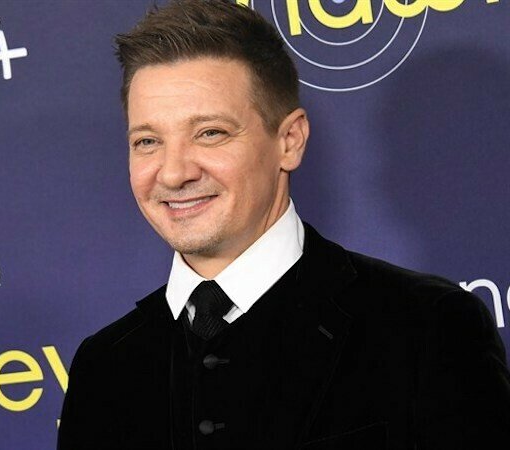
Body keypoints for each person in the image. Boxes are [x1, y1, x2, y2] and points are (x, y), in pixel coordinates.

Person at [57, 1, 510, 449]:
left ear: (289, 141)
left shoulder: (425, 327)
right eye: (147, 141)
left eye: (210, 133)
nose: (174, 173)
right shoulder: (103, 369)